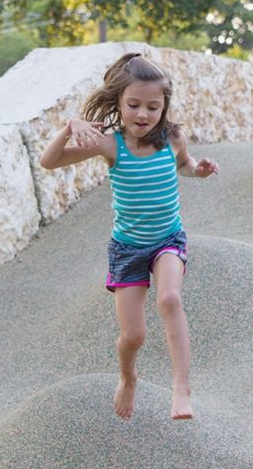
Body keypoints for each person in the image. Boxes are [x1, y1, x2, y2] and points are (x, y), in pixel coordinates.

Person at [40, 52, 219, 421]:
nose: (143, 114)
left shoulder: (172, 137)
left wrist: (198, 170)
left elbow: (183, 165)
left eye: (153, 107)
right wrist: (70, 126)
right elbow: (49, 161)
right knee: (133, 336)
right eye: (134, 105)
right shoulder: (110, 145)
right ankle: (128, 376)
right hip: (127, 249)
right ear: (119, 103)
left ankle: (181, 389)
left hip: (168, 239)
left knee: (169, 298)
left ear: (165, 106)